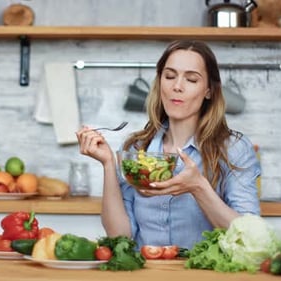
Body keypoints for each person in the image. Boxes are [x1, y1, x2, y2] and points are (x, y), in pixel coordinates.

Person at [75, 40, 261, 250]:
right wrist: (109, 164)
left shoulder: (234, 149)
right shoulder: (136, 150)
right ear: (160, 82)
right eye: (170, 76)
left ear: (208, 90)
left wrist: (199, 187)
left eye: (191, 79)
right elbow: (120, 236)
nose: (177, 86)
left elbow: (249, 238)